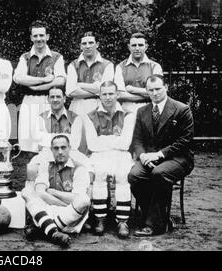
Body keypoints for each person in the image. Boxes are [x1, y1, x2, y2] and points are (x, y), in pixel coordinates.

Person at [128, 75, 194, 237]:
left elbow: (185, 141)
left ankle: (154, 225)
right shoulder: (142, 111)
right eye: (151, 90)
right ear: (147, 92)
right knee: (134, 175)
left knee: (160, 173)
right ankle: (160, 217)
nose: (155, 93)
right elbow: (137, 139)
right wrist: (142, 155)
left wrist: (159, 155)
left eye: (158, 89)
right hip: (149, 157)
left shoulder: (181, 109)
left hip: (178, 158)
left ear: (166, 87)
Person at [83, 81, 135, 238]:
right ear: (99, 95)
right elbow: (92, 145)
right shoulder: (90, 116)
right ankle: (100, 218)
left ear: (117, 94)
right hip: (99, 154)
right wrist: (114, 140)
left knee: (122, 175)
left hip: (121, 154)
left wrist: (103, 140)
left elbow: (126, 143)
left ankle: (122, 220)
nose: (108, 97)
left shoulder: (128, 114)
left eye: (111, 93)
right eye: (104, 94)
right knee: (99, 173)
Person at [21, 135, 91, 247]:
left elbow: (77, 199)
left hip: (68, 215)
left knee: (85, 200)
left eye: (63, 147)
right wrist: (64, 200)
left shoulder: (79, 169)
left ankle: (44, 229)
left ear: (70, 148)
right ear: (51, 150)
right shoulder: (45, 165)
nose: (60, 152)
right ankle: (54, 233)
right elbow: (40, 193)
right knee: (26, 192)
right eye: (56, 148)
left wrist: (53, 192)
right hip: (46, 211)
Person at [13, 20, 66, 153]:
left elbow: (60, 80)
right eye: (35, 36)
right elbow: (18, 78)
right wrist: (44, 80)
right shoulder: (25, 57)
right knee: (28, 142)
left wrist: (38, 87)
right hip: (29, 101)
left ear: (47, 36)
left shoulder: (56, 57)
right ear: (31, 37)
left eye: (41, 35)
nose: (39, 39)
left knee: (48, 141)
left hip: (49, 102)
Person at [27, 88, 93, 184]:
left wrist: (48, 136)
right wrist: (66, 136)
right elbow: (39, 139)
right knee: (32, 168)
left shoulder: (75, 117)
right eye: (52, 97)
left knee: (88, 168)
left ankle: (82, 193)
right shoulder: (41, 117)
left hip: (70, 153)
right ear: (48, 99)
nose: (55, 99)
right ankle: (37, 193)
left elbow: (74, 143)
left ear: (64, 99)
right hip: (47, 152)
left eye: (58, 96)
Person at [66, 31, 114, 116]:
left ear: (97, 44)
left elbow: (107, 90)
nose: (87, 46)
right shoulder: (73, 65)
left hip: (99, 108)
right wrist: (98, 90)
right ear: (80, 46)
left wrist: (79, 84)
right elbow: (70, 91)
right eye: (84, 43)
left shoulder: (107, 65)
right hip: (77, 108)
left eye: (91, 43)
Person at [114, 32, 163, 114]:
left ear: (146, 47)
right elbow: (119, 95)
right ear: (129, 47)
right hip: (127, 112)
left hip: (149, 112)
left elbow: (158, 93)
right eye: (134, 45)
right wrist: (148, 94)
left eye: (140, 45)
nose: (137, 48)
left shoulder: (155, 66)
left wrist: (132, 89)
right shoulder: (120, 67)